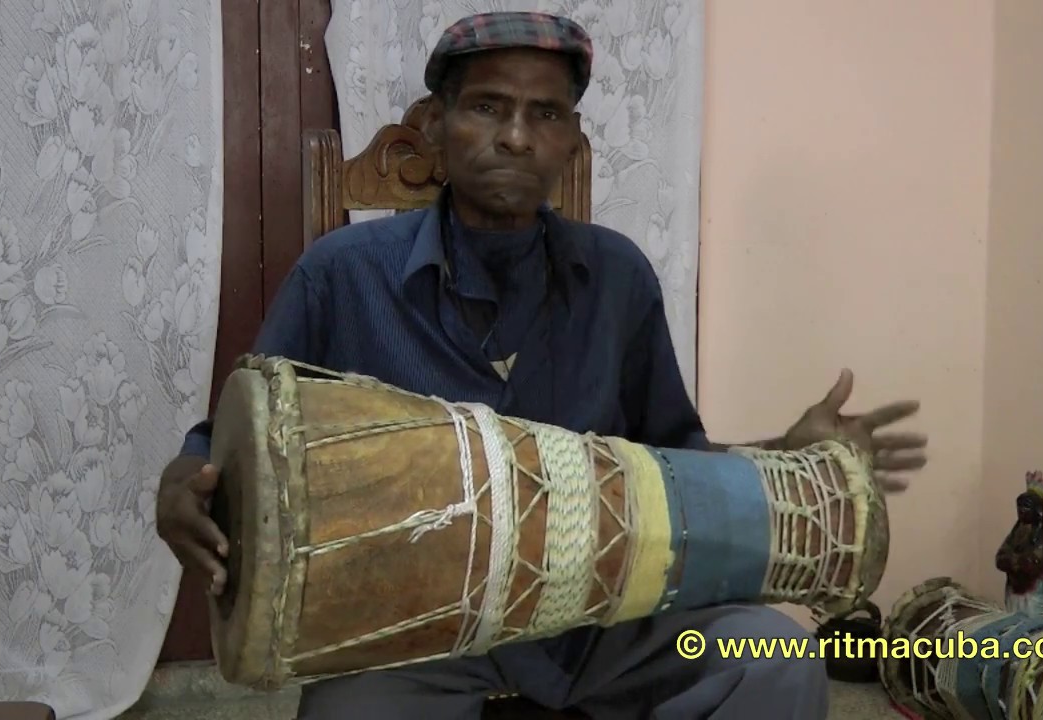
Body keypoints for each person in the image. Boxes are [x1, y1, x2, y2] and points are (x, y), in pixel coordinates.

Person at [155, 11, 928, 719]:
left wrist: (783, 457)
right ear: (435, 126)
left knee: (778, 662)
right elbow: (233, 441)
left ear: (572, 143)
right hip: (425, 630)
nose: (517, 137)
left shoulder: (619, 278)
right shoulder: (342, 274)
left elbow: (671, 461)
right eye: (488, 106)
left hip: (605, 619)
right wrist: (182, 484)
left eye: (544, 114)